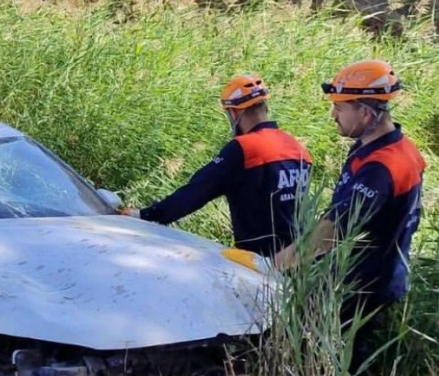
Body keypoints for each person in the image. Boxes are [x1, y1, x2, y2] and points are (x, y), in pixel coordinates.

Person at [274, 59, 425, 376]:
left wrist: (277, 265)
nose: (334, 116)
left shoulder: (383, 166)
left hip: (365, 283)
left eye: (340, 109)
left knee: (339, 371)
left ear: (367, 113)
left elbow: (335, 229)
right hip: (370, 274)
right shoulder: (388, 148)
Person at [121, 74, 313, 259]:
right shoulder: (298, 148)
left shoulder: (244, 149)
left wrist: (146, 214)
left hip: (260, 263)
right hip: (300, 258)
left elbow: (196, 192)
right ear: (265, 106)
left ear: (235, 112)